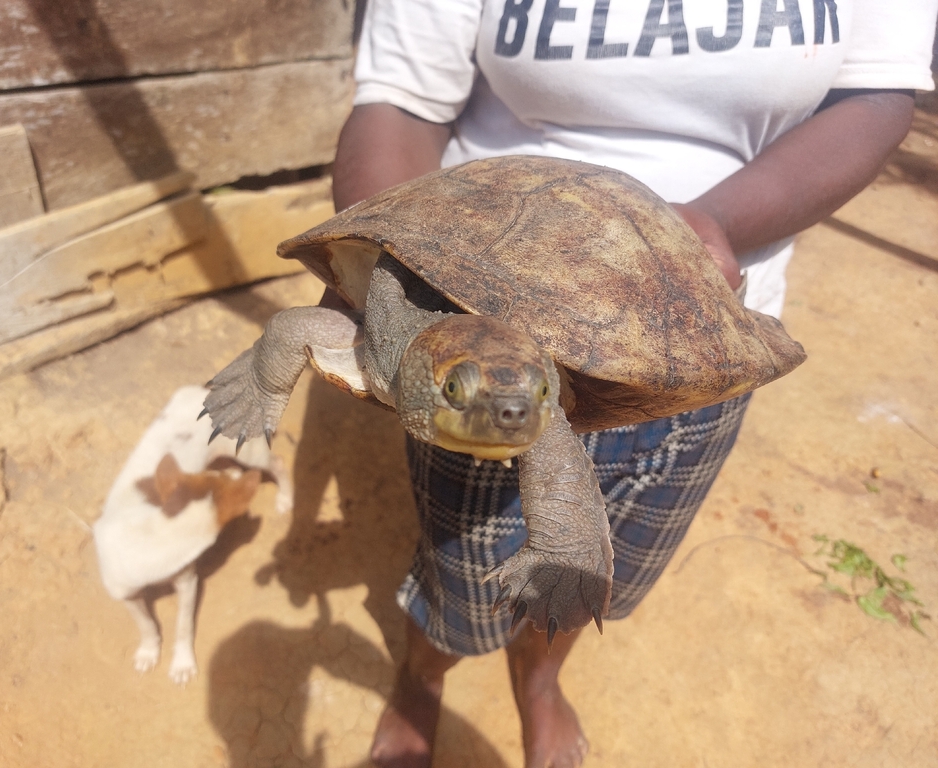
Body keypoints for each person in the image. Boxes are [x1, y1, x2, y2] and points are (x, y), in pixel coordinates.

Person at [329, 2, 938, 766]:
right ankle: (425, 673)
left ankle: (540, 677)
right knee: (464, 566)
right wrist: (392, 265)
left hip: (700, 333)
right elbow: (402, 99)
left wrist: (702, 229)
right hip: (493, 323)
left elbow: (876, 93)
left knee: (592, 562)